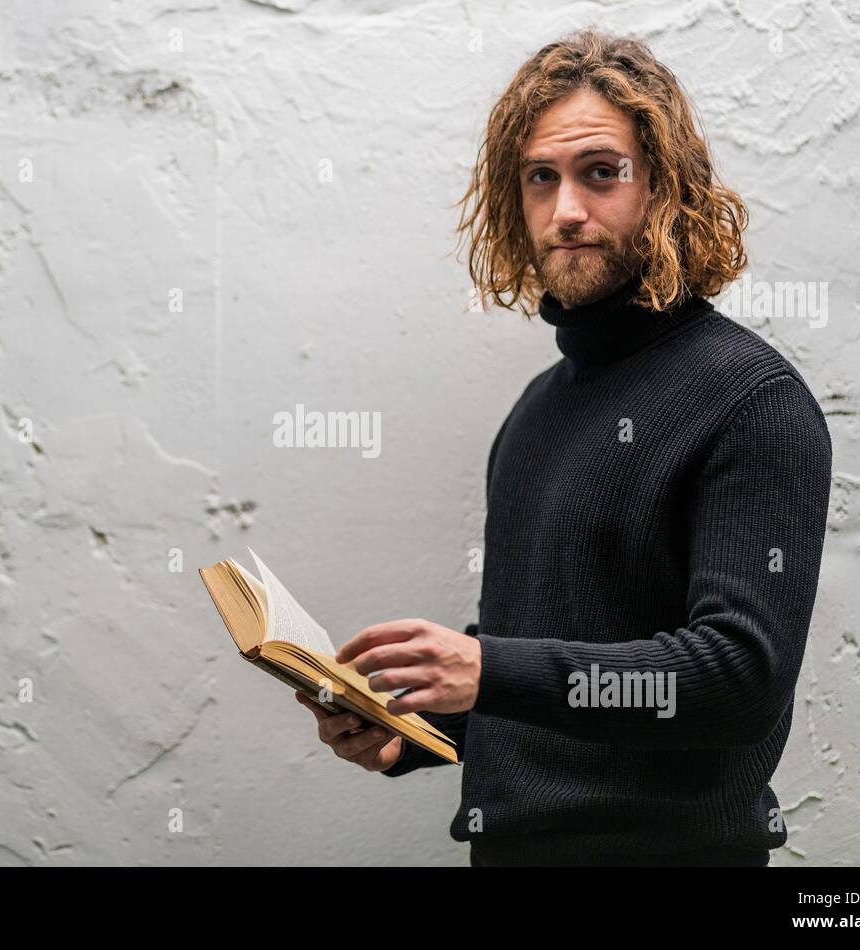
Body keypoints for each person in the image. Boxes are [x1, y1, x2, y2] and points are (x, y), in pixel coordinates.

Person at [296, 29, 833, 866]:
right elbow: (549, 653)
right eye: (540, 178)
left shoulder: (752, 401)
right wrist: (415, 722)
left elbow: (739, 681)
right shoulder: (536, 411)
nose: (566, 210)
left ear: (665, 186)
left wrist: (490, 669)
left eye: (600, 172)